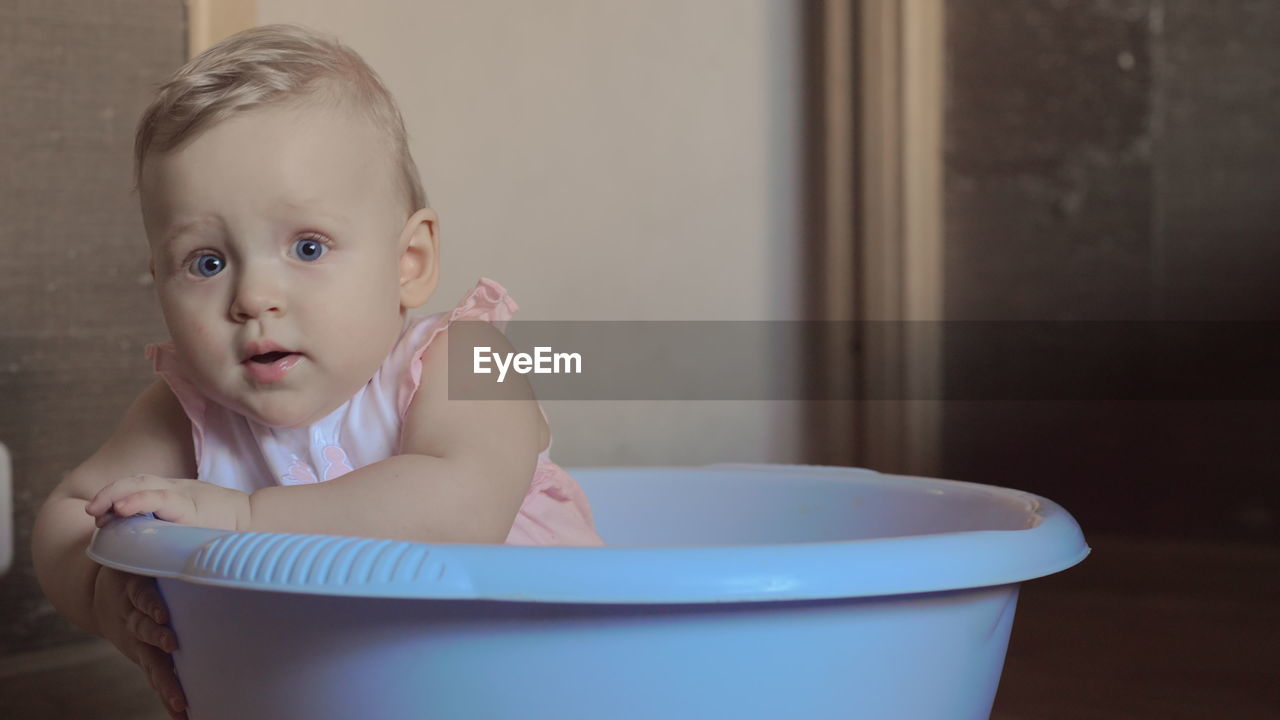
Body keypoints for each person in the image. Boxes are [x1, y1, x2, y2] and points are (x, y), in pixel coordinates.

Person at [31, 24, 603, 720]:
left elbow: (463, 504)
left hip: (541, 678)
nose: (252, 297)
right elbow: (68, 514)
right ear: (159, 285)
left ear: (409, 262)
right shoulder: (188, 410)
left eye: (307, 246)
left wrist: (245, 519)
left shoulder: (459, 362)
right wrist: (106, 597)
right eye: (206, 263)